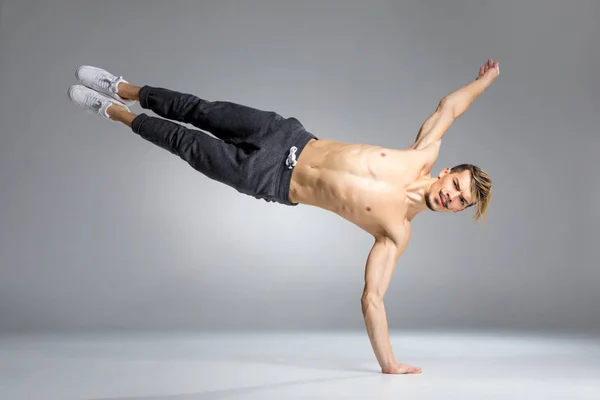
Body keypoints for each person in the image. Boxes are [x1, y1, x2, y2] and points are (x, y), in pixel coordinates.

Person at [68, 58, 499, 375]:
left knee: (188, 146)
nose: (452, 197)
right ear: (448, 173)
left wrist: (389, 364)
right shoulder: (421, 154)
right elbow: (450, 107)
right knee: (200, 110)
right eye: (457, 186)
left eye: (460, 202)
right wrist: (485, 81)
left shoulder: (396, 231)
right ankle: (126, 89)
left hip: (271, 181)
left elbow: (373, 298)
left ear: (455, 211)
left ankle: (117, 114)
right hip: (286, 135)